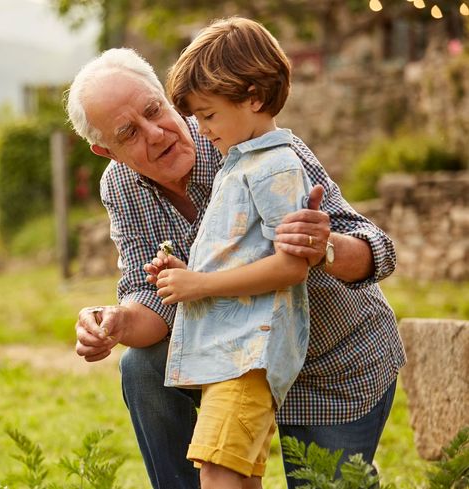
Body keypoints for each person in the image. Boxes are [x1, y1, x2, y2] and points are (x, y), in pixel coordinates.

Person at [66, 46, 405, 488]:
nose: (155, 133)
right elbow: (154, 297)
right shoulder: (122, 185)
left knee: (326, 483)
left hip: (329, 363)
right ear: (105, 150)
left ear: (167, 96)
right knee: (142, 366)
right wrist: (115, 322)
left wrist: (325, 245)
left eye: (155, 110)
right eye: (129, 132)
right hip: (233, 362)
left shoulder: (253, 141)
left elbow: (378, 251)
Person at [151, 17, 312, 488]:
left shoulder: (273, 167)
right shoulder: (241, 162)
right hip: (232, 353)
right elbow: (245, 255)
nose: (201, 131)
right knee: (234, 473)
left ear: (254, 97)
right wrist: (188, 273)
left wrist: (199, 285)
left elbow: (291, 265)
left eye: (209, 115)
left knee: (219, 472)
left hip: (250, 353)